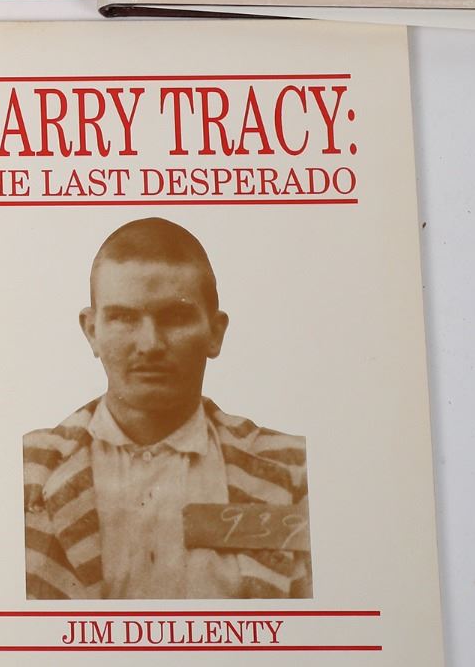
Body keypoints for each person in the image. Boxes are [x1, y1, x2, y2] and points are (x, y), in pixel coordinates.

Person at [22, 218, 311, 601]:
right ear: (92, 331)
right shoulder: (30, 468)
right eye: (124, 317)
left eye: (175, 317)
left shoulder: (290, 470)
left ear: (215, 332)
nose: (150, 344)